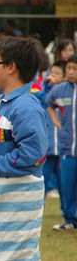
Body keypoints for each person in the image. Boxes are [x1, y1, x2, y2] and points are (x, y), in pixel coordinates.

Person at [0, 37, 48, 185]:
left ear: (11, 67)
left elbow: (32, 154)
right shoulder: (3, 102)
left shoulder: (26, 107)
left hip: (17, 201)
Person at [46, 54, 77, 230]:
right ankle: (70, 220)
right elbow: (48, 103)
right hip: (68, 147)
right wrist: (55, 120)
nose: (71, 72)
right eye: (69, 69)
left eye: (75, 69)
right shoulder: (61, 90)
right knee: (67, 185)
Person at [41, 61, 65, 198]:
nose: (53, 76)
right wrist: (47, 87)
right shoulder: (45, 93)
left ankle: (69, 214)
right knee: (43, 179)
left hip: (63, 147)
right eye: (52, 73)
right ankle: (39, 207)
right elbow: (44, 100)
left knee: (65, 184)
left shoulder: (67, 93)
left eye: (57, 74)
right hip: (48, 148)